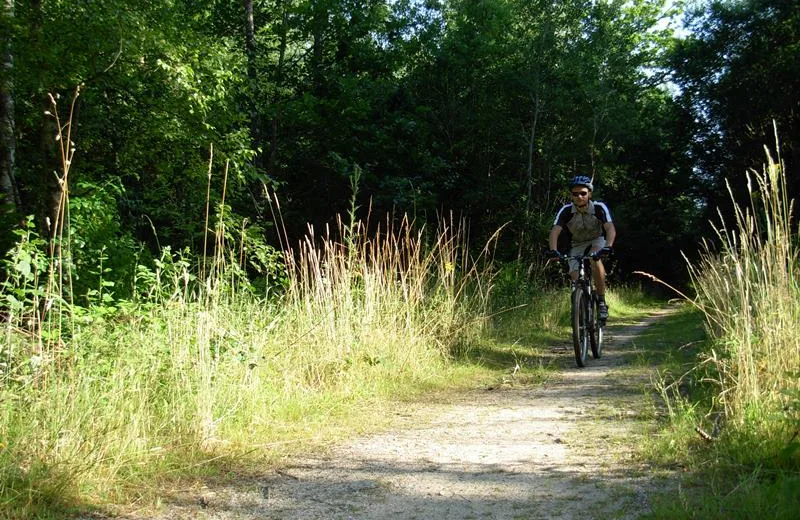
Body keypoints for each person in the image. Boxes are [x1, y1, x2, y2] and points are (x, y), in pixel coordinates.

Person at [547, 175, 616, 321]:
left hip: (596, 240)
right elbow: (555, 231)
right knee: (575, 277)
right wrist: (553, 250)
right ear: (571, 196)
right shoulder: (566, 211)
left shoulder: (599, 208)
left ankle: (601, 301)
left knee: (594, 257)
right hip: (576, 244)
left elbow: (610, 228)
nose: (579, 196)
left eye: (583, 193)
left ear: (589, 194)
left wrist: (608, 246)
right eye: (575, 194)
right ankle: (581, 308)